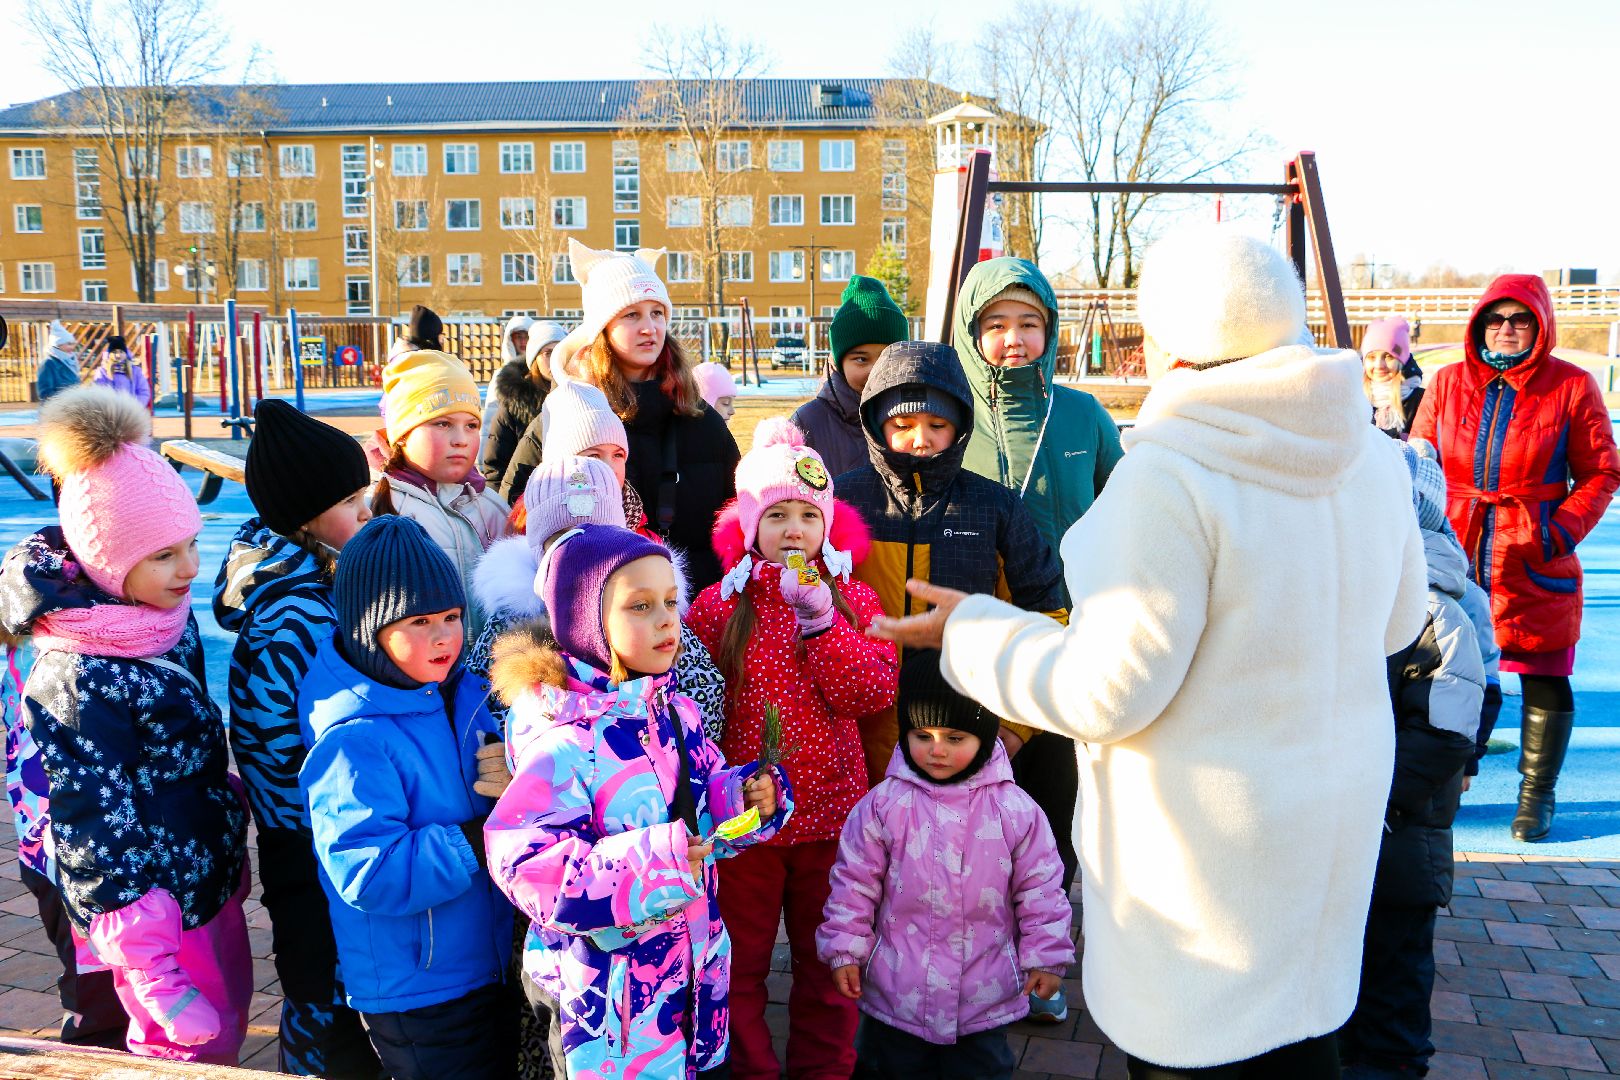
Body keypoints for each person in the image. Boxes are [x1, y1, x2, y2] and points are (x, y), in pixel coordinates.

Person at [870, 226, 1430, 1079]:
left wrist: (973, 631)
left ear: (1172, 337)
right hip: (1327, 834)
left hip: (1208, 865)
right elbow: (1396, 628)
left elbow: (1104, 693)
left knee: (1200, 1058)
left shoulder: (1173, 474)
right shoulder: (1372, 458)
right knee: (1304, 1051)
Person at [0, 386, 253, 1064]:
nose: (190, 569)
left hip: (199, 878)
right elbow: (93, 828)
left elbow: (186, 736)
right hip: (154, 917)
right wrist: (152, 970)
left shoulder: (161, 621)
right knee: (181, 1050)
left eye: (191, 544)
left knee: (227, 1022)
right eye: (164, 554)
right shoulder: (80, 677)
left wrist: (221, 808)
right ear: (109, 561)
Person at [485, 524, 792, 1079]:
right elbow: (526, 865)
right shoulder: (564, 741)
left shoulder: (676, 713)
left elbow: (702, 805)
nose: (667, 619)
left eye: (672, 601)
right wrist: (658, 861)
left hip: (694, 981)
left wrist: (743, 796)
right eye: (641, 606)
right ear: (586, 623)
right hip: (610, 1017)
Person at [685, 418, 899, 1080]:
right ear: (749, 525)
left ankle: (825, 1070)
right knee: (742, 963)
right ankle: (751, 1069)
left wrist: (822, 623)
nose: (794, 530)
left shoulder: (854, 599)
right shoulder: (720, 606)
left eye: (809, 514)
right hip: (745, 824)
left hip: (832, 819)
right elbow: (695, 705)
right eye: (777, 514)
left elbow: (871, 691)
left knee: (830, 963)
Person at [835, 342, 1069, 891]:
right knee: (869, 874)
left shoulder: (995, 507)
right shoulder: (840, 503)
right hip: (861, 738)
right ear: (874, 423)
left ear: (960, 427)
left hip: (964, 735)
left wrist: (1013, 730)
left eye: (938, 423)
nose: (921, 438)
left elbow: (1049, 615)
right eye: (904, 423)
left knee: (963, 881)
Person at [298, 515, 515, 1080]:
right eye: (419, 621)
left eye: (451, 616)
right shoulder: (352, 738)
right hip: (416, 987)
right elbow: (367, 873)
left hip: (482, 960)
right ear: (372, 630)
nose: (444, 635)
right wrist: (481, 837)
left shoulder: (464, 693)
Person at [1410, 274, 1620, 841]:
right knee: (1451, 669)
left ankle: (1537, 794)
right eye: (1496, 319)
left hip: (1533, 551)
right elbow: (1420, 461)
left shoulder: (1571, 386)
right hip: (1456, 548)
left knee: (1545, 673)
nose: (1506, 330)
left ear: (1541, 325)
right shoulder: (1449, 382)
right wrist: (1421, 532)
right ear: (1479, 324)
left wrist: (1558, 532)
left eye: (1520, 319)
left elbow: (1602, 471)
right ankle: (1452, 780)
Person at [211, 399, 383, 1078]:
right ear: (306, 518)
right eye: (350, 501)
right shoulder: (296, 616)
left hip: (317, 829)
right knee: (320, 986)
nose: (366, 512)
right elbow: (289, 743)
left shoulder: (321, 584)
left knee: (330, 979)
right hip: (309, 839)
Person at [818, 650, 1075, 1080]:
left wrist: (1045, 956)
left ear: (986, 733)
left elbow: (1042, 890)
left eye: (955, 738)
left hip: (981, 999)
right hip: (897, 993)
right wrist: (845, 947)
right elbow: (853, 883)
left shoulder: (1015, 811)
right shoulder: (884, 805)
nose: (937, 751)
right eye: (923, 735)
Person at [1340, 442, 1486, 1080]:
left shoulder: (1438, 607)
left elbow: (1452, 729)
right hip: (1346, 821)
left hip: (1403, 829)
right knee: (1340, 972)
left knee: (1394, 982)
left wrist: (1375, 796)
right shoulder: (1347, 587)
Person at [468, 454, 726, 741]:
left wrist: (666, 745)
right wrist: (513, 752)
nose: (584, 553)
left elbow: (705, 689)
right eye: (565, 540)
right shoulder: (513, 618)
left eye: (601, 536)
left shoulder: (650, 608)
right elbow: (479, 701)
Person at [551, 237, 739, 590]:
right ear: (602, 327)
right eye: (631, 314)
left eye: (657, 313)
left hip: (703, 610)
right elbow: (530, 513)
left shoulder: (701, 418)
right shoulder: (569, 415)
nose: (649, 327)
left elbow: (738, 516)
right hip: (605, 610)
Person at [2, 631, 130, 1050]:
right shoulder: (60, 646)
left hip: (50, 845)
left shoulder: (20, 643)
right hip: (69, 849)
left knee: (95, 978)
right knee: (98, 985)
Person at [369, 348, 511, 636]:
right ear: (403, 433)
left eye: (471, 425)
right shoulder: (376, 505)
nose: (461, 440)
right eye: (442, 423)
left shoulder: (491, 507)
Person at [792, 275, 910, 480]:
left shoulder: (918, 416)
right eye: (861, 359)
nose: (876, 371)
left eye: (887, 357)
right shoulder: (808, 423)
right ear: (839, 363)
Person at [480, 316, 560, 486]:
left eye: (560, 351)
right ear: (534, 358)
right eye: (548, 353)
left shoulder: (581, 394)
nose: (555, 359)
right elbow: (496, 467)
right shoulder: (514, 400)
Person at [1362, 317, 1422, 439]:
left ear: (1402, 361)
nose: (1379, 365)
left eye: (1388, 357)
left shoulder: (1420, 400)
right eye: (1372, 357)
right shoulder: (1355, 399)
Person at [91, 335, 152, 407]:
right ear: (109, 354)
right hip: (111, 411)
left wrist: (136, 407)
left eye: (121, 352)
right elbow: (98, 392)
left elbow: (143, 392)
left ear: (126, 354)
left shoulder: (135, 371)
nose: (118, 355)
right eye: (114, 352)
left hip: (131, 411)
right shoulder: (102, 372)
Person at [36, 321, 81, 403]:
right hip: (56, 410)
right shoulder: (48, 364)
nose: (72, 347)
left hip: (72, 408)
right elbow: (45, 393)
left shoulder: (70, 363)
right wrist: (64, 402)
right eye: (68, 344)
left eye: (73, 344)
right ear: (57, 345)